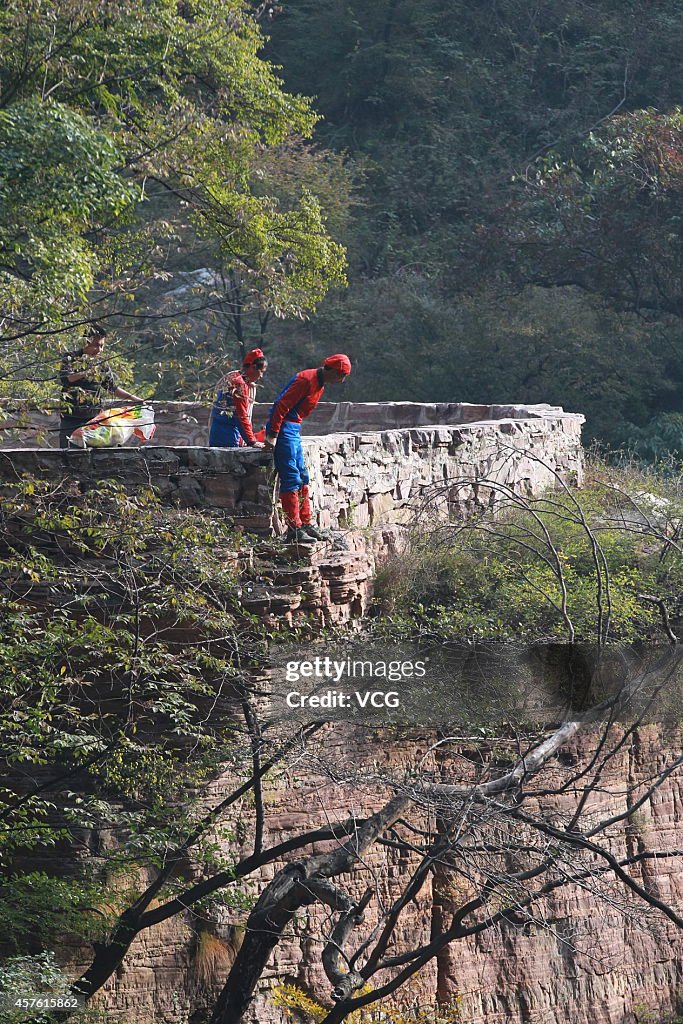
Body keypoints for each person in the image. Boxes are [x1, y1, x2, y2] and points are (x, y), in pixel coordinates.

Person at [265, 354, 352, 543]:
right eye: (340, 375)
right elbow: (281, 405)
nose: (342, 380)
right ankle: (293, 529)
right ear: (330, 370)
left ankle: (305, 523)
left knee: (303, 476)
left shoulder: (319, 384)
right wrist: (272, 434)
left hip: (294, 428)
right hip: (285, 429)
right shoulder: (306, 379)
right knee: (290, 476)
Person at [58, 325, 143, 448]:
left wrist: (135, 399)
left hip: (94, 420)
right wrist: (88, 372)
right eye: (96, 345)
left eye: (102, 346)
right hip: (70, 419)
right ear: (85, 342)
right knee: (67, 454)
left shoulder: (102, 364)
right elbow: (67, 378)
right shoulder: (71, 358)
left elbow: (112, 388)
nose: (100, 350)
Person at [208, 348, 267, 448]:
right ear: (253, 367)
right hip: (228, 436)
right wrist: (252, 441)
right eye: (261, 372)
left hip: (219, 433)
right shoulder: (239, 384)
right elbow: (241, 415)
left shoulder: (233, 377)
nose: (261, 376)